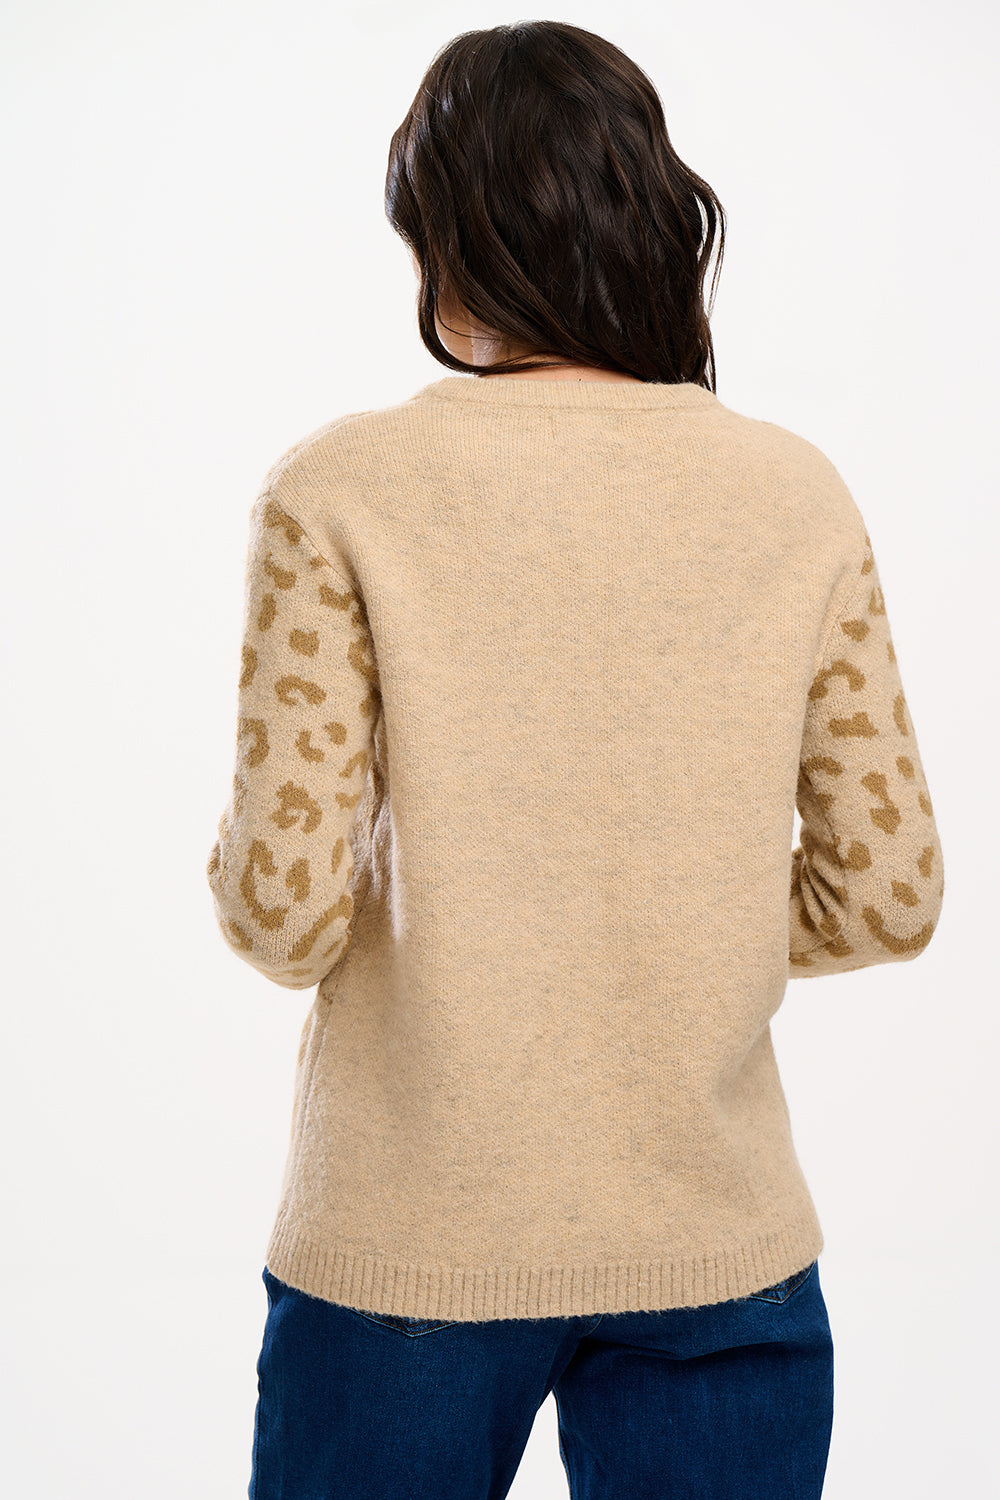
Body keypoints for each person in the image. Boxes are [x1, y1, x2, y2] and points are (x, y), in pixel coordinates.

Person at [205, 21, 945, 1500]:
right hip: (716, 1239)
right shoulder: (793, 494)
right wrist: (681, 920)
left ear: (441, 238)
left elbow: (282, 914)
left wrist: (477, 911)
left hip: (408, 1243)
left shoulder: (341, 488)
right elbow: (890, 895)